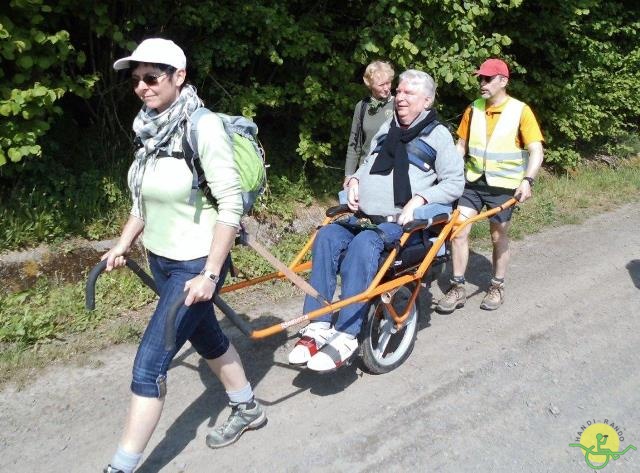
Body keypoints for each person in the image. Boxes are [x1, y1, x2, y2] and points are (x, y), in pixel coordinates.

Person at [102, 38, 266, 473]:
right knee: (206, 336)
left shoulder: (203, 126)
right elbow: (144, 200)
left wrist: (211, 274)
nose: (142, 87)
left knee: (149, 365)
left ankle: (122, 466)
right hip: (162, 259)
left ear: (179, 77)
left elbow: (230, 204)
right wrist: (122, 244)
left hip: (197, 262)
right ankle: (248, 407)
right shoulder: (150, 127)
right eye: (136, 79)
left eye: (152, 77)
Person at [289, 69, 465, 372]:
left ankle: (346, 332)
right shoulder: (388, 127)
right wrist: (355, 181)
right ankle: (318, 325)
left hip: (401, 225)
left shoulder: (437, 135)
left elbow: (454, 183)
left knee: (365, 244)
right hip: (364, 216)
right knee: (328, 236)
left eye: (408, 93)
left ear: (427, 100)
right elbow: (369, 164)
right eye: (398, 91)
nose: (400, 97)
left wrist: (421, 199)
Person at [436, 58, 544, 314]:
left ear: (503, 81)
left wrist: (527, 181)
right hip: (472, 183)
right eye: (480, 79)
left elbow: (536, 150)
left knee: (498, 236)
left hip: (504, 187)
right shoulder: (473, 109)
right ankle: (458, 286)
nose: (482, 83)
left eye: (487, 79)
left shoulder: (520, 111)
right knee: (458, 230)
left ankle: (497, 285)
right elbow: (460, 146)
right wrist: (446, 173)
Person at [343, 60, 395, 187]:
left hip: (391, 172)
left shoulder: (399, 104)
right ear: (370, 85)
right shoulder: (361, 107)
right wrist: (349, 175)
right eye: (381, 84)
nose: (387, 88)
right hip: (365, 172)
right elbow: (354, 143)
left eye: (388, 82)